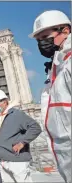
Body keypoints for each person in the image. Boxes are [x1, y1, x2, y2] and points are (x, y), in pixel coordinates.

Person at [29, 10, 71, 183]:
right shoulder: (57, 67)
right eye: (39, 40)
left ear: (65, 31)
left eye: (45, 36)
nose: (42, 43)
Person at [0, 89, 41, 182]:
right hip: (5, 161)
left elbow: (36, 128)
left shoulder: (16, 114)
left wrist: (22, 143)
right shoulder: (2, 117)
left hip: (17, 162)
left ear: (5, 102)